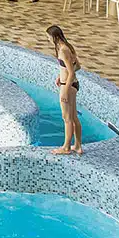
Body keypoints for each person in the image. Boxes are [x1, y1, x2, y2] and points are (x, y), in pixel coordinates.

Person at [48, 25, 82, 155]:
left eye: (49, 37)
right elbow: (77, 66)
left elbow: (72, 72)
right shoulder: (69, 47)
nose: (48, 39)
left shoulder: (63, 50)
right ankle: (78, 146)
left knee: (66, 118)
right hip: (72, 84)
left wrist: (65, 90)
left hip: (68, 86)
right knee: (74, 118)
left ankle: (66, 147)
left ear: (54, 37)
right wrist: (60, 76)